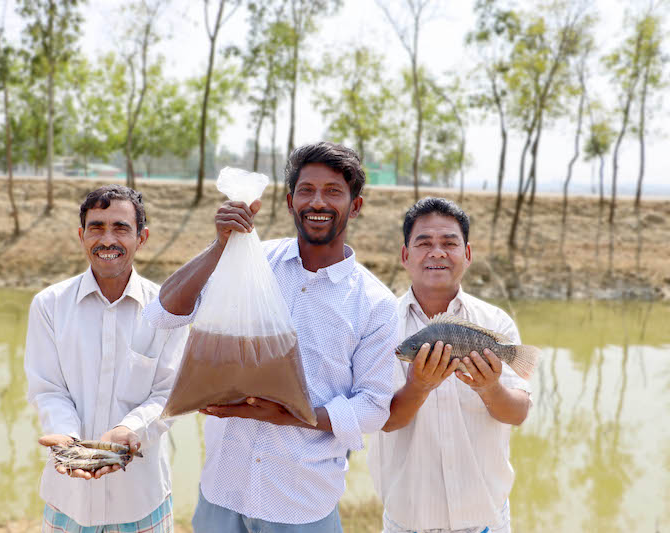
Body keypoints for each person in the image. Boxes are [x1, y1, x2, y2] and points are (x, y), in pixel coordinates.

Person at [144, 142, 399, 532]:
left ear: (356, 205)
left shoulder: (374, 303)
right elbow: (163, 314)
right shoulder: (251, 261)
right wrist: (221, 245)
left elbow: (374, 405)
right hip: (221, 492)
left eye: (333, 191)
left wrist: (295, 416)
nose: (318, 201)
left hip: (301, 502)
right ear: (289, 200)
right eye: (307, 190)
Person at [24, 185, 188, 532]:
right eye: (96, 227)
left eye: (121, 228)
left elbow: (170, 396)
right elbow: (48, 390)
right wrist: (68, 441)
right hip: (69, 498)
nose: (107, 239)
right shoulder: (49, 305)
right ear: (82, 236)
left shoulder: (168, 309)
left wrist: (129, 430)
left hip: (141, 500)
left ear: (141, 237)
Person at [368, 197, 532, 533]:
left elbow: (517, 413)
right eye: (424, 243)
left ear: (467, 255)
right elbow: (381, 421)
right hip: (407, 522)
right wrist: (419, 386)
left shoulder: (495, 321)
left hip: (486, 521)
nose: (437, 252)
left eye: (449, 243)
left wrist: (490, 387)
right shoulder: (379, 325)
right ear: (405, 256)